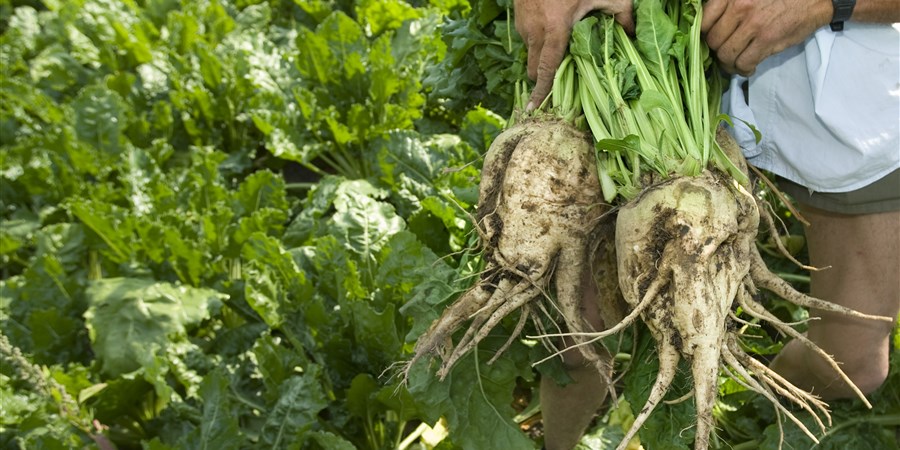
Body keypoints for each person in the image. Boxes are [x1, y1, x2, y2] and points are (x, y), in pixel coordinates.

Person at [513, 1, 900, 449]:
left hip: (854, 99)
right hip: (649, 64)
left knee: (852, 364)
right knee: (578, 339)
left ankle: (737, 386)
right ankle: (557, 443)